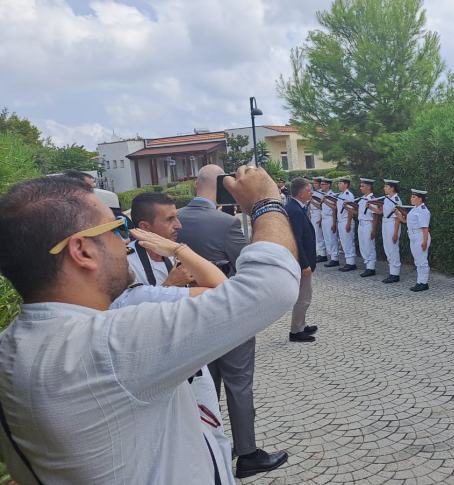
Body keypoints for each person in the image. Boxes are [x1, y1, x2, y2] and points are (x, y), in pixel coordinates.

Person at [0, 169, 299, 483]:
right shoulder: (109, 344)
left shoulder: (11, 347)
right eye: (119, 228)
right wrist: (266, 203)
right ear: (82, 251)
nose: (127, 240)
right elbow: (272, 286)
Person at [177, 164, 288, 479]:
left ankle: (210, 445)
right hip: (227, 313)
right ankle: (248, 452)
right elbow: (246, 266)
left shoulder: (176, 219)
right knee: (238, 383)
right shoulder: (225, 223)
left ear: (196, 184)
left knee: (205, 384)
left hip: (192, 316)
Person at [112, 229, 235, 485]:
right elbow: (228, 295)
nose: (125, 244)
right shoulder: (132, 289)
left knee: (215, 436)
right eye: (113, 236)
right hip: (173, 385)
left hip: (191, 373)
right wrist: (179, 255)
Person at [129, 192, 194, 287]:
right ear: (145, 227)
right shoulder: (126, 265)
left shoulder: (174, 253)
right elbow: (127, 301)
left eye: (176, 217)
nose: (179, 226)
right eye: (170, 219)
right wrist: (170, 284)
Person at [285, 177, 319, 343]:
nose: (310, 192)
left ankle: (301, 324)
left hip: (302, 260)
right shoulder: (295, 210)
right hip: (301, 262)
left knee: (304, 295)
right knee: (303, 297)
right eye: (308, 190)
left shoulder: (295, 206)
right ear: (301, 192)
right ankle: (296, 332)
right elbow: (296, 240)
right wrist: (304, 264)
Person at [399, 189, 431, 292]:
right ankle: (419, 282)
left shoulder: (423, 210)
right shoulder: (414, 209)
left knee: (422, 261)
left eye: (414, 197)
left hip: (420, 236)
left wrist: (425, 241)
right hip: (413, 236)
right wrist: (399, 214)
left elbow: (425, 227)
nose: (411, 198)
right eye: (411, 196)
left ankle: (424, 283)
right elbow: (406, 221)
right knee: (418, 261)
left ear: (420, 199)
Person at [377, 179, 402, 283]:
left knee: (393, 248)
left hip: (393, 224)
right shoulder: (387, 198)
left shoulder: (396, 199)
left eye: (386, 187)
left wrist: (396, 233)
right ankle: (392, 273)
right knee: (387, 248)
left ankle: (395, 274)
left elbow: (397, 218)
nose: (384, 188)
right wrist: (371, 207)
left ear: (392, 188)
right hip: (386, 223)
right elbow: (382, 212)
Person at [356, 178, 379, 277]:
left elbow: (376, 215)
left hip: (368, 224)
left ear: (369, 187)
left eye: (362, 186)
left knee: (369, 246)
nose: (360, 188)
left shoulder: (373, 199)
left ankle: (371, 268)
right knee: (363, 245)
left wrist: (374, 230)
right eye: (360, 186)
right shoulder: (362, 199)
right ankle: (367, 265)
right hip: (361, 223)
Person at [335, 177, 357, 272]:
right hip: (340, 221)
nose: (338, 185)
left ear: (346, 185)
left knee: (348, 242)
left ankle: (351, 263)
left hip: (346, 221)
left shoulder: (348, 195)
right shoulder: (341, 195)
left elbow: (351, 211)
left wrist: (348, 223)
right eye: (339, 183)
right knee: (344, 242)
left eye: (340, 183)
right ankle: (348, 262)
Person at [320, 177, 340, 268]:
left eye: (323, 184)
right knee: (327, 239)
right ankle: (331, 257)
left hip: (330, 219)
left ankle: (335, 258)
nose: (321, 186)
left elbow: (334, 208)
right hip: (324, 218)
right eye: (321, 184)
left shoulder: (331, 195)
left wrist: (334, 222)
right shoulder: (324, 194)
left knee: (332, 239)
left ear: (328, 185)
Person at [310, 176, 328, 263]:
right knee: (315, 235)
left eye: (316, 183)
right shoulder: (314, 192)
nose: (314, 185)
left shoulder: (322, 193)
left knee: (319, 235)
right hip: (313, 213)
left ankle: (323, 254)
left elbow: (321, 207)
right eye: (314, 183)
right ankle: (319, 253)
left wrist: (320, 218)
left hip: (318, 213)